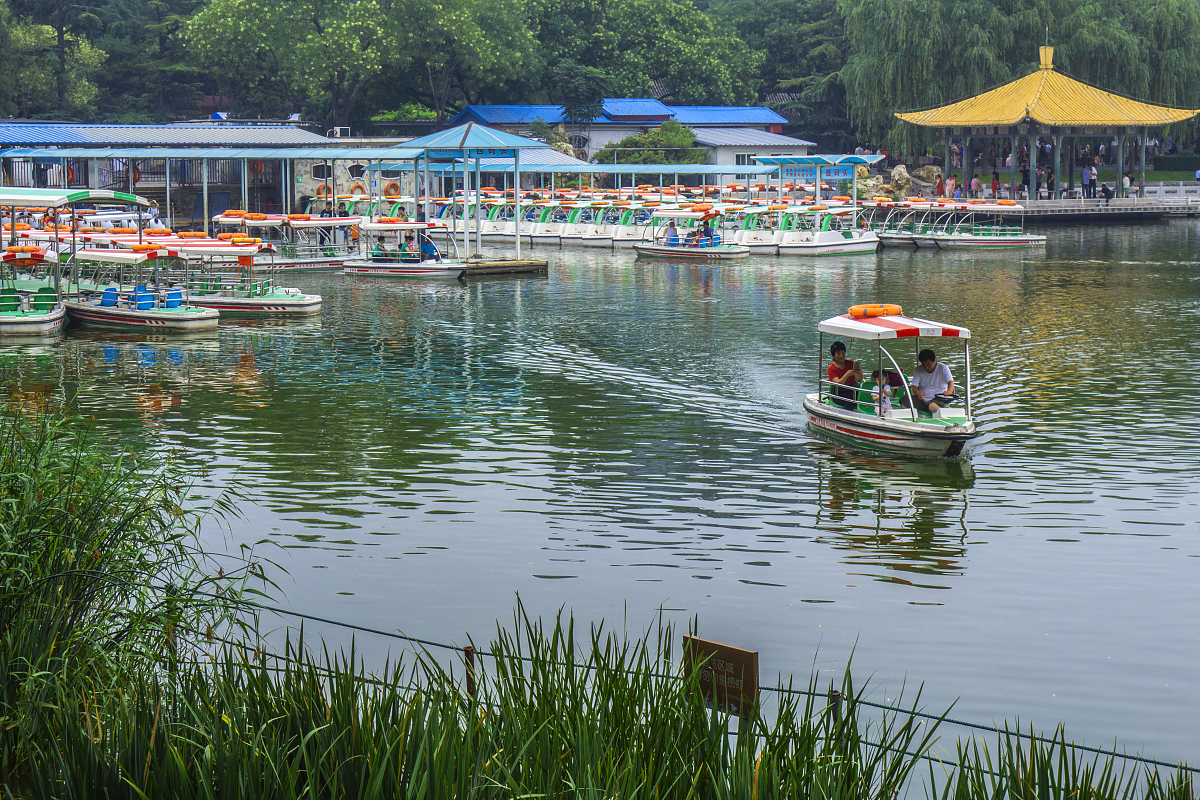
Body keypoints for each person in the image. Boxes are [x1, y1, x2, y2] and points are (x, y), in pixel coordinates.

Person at [907, 349, 954, 414]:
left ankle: (946, 414)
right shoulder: (918, 370)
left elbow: (950, 382)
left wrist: (949, 391)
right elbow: (914, 386)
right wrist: (918, 393)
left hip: (938, 398)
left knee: (932, 406)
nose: (926, 367)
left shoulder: (943, 368)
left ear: (934, 361)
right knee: (906, 401)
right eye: (924, 365)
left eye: (929, 365)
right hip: (923, 399)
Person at [826, 341, 863, 411]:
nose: (841, 356)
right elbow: (838, 383)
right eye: (838, 354)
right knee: (850, 397)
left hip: (853, 388)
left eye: (843, 353)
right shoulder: (831, 368)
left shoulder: (850, 363)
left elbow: (859, 380)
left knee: (863, 394)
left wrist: (860, 372)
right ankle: (849, 415)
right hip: (839, 392)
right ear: (833, 355)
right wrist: (846, 375)